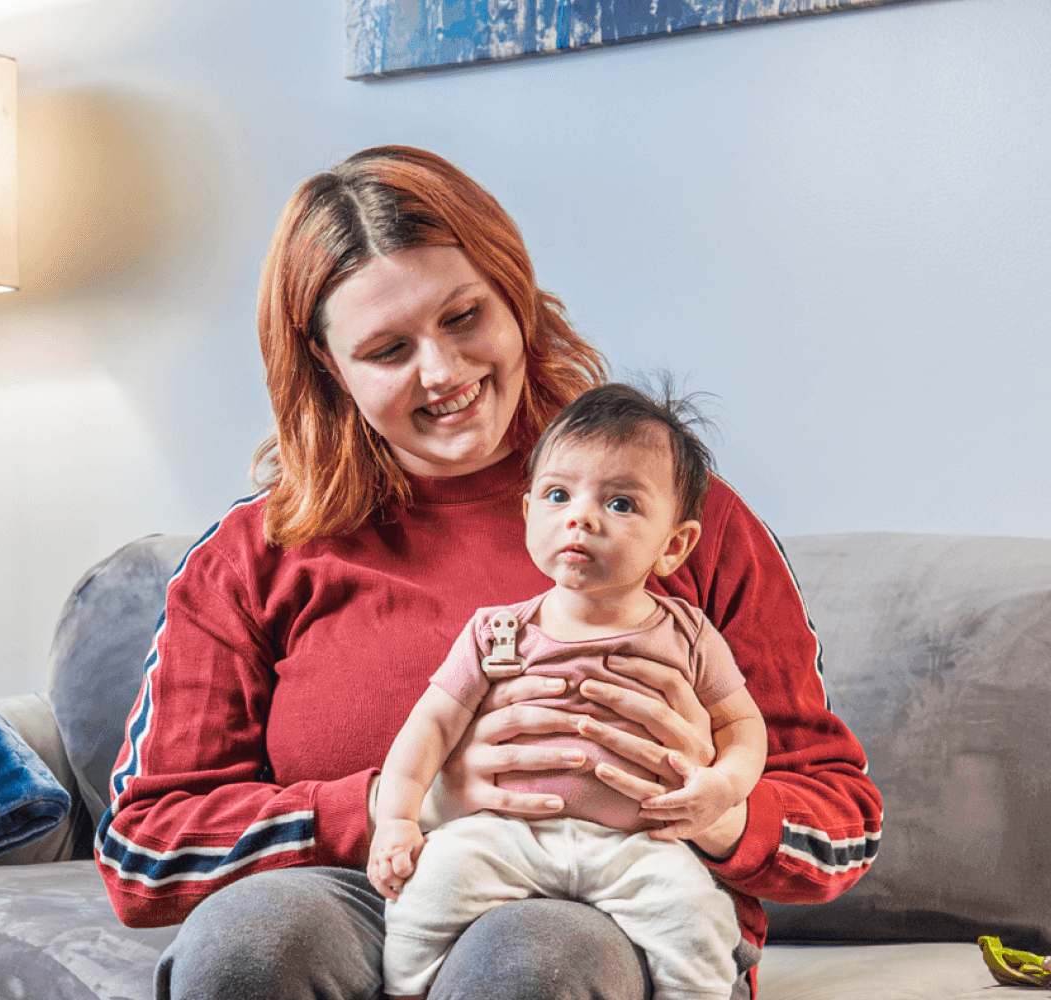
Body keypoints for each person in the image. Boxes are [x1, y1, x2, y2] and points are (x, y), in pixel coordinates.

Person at [93, 146, 882, 1000]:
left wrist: (724, 813)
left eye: (465, 316)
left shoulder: (672, 517)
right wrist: (409, 802)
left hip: (609, 903)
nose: (443, 372)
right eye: (389, 350)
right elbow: (144, 852)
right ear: (329, 367)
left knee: (528, 961)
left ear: (515, 294)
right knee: (249, 945)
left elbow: (841, 818)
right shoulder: (253, 554)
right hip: (366, 890)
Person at [371, 383, 764, 1000]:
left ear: (674, 546)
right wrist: (396, 817)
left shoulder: (689, 633)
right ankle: (404, 992)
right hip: (505, 836)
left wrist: (725, 785)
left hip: (637, 846)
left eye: (622, 503)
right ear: (528, 515)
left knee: (697, 921)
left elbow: (742, 725)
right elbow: (431, 727)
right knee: (427, 893)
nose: (581, 516)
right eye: (559, 495)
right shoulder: (498, 630)